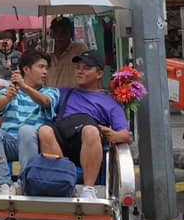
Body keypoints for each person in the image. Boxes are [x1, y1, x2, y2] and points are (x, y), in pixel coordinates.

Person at [37, 51, 131, 199]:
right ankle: (63, 180)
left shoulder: (109, 101)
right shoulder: (63, 92)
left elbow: (126, 135)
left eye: (86, 68)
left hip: (88, 140)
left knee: (90, 131)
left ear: (99, 74)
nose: (79, 71)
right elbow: (40, 97)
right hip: (62, 138)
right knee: (44, 131)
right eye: (78, 67)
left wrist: (113, 135)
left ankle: (88, 189)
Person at [0, 51, 59, 196]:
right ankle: (3, 184)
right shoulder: (9, 90)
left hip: (35, 144)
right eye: (41, 67)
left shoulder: (52, 92)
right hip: (10, 143)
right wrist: (7, 98)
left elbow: (45, 102)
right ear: (26, 69)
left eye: (46, 68)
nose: (45, 72)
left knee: (26, 130)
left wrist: (24, 87)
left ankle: (25, 181)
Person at [46, 17, 88, 88]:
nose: (59, 36)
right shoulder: (44, 49)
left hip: (73, 96)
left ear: (71, 34)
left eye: (63, 32)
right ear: (51, 34)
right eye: (56, 32)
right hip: (49, 97)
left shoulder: (79, 49)